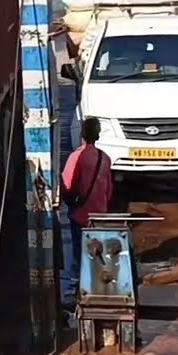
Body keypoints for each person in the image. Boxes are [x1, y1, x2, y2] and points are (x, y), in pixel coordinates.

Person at [62, 117, 113, 293]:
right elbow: (109, 190)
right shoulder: (105, 158)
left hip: (81, 215)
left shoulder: (76, 156)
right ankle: (99, 286)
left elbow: (67, 185)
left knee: (79, 256)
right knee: (98, 254)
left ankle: (77, 291)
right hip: (100, 215)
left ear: (81, 134)